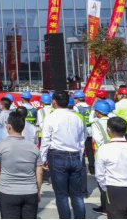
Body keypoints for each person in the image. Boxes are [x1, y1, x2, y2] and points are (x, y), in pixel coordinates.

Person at [40, 91, 86, 220]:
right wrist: (79, 157)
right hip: (75, 155)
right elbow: (81, 141)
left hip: (58, 156)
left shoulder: (50, 117)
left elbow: (45, 141)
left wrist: (43, 158)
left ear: (54, 102)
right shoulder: (77, 118)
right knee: (77, 195)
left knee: (61, 195)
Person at [0, 112, 44, 219]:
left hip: (8, 192)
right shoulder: (33, 147)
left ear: (9, 126)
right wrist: (37, 190)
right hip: (30, 192)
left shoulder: (0, 146)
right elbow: (39, 172)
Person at [95, 117, 127, 219]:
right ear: (125, 131)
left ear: (108, 130)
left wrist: (106, 188)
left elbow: (100, 175)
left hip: (115, 191)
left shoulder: (104, 149)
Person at [91, 100, 112, 215]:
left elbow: (98, 140)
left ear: (98, 112)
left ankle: (105, 206)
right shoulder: (113, 121)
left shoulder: (96, 124)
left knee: (102, 181)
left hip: (101, 153)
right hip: (115, 151)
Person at [73, 91, 94, 173]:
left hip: (81, 130)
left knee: (81, 148)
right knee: (89, 149)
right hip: (89, 130)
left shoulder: (76, 107)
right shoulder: (90, 107)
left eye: (75, 98)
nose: (74, 100)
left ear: (77, 99)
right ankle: (92, 168)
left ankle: (83, 167)